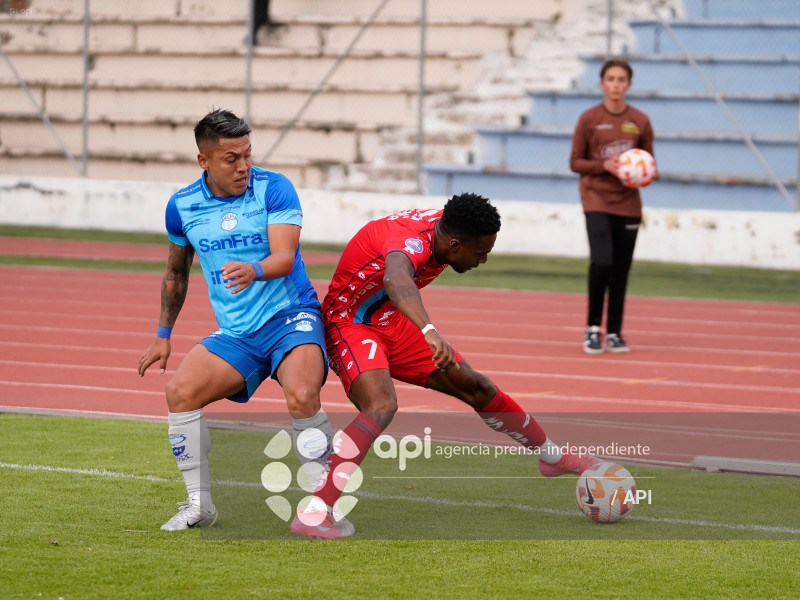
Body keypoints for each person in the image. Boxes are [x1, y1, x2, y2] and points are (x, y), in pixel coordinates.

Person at [289, 193, 600, 540]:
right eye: (479, 253)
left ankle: (552, 458)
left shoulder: (450, 224)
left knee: (476, 386)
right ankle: (315, 513)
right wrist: (429, 331)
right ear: (454, 244)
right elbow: (396, 279)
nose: (483, 260)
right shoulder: (411, 245)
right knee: (381, 404)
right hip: (350, 321)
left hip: (390, 318)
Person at [137, 108, 352, 536]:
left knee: (304, 394)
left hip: (291, 317)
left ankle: (322, 505)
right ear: (204, 161)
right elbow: (176, 273)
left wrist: (254, 270)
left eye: (247, 154)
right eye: (230, 158)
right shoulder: (182, 206)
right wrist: (163, 335)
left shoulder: (274, 188)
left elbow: (284, 258)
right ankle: (199, 505)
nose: (243, 166)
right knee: (179, 392)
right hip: (237, 333)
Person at [569, 58, 655, 355]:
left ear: (628, 85)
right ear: (602, 83)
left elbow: (650, 164)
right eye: (611, 79)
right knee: (602, 262)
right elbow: (575, 162)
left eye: (622, 79)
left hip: (628, 204)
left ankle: (615, 332)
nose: (616, 84)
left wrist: (642, 173)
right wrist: (604, 165)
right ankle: (593, 328)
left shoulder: (640, 120)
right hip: (596, 198)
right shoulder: (589, 118)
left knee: (621, 268)